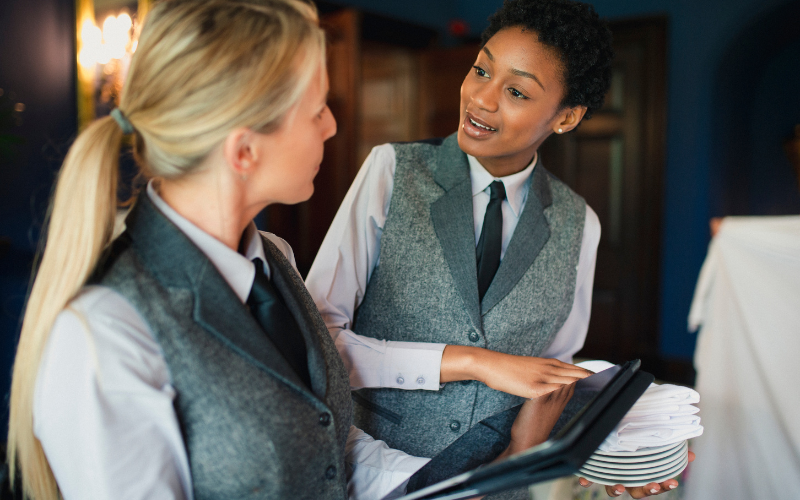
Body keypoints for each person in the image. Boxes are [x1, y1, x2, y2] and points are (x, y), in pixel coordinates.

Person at [5, 1, 585, 499]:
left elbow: (338, 453)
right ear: (244, 150)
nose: (332, 128)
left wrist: (486, 483)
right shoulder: (104, 336)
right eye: (317, 110)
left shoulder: (273, 261)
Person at [306, 0, 685, 497]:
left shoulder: (579, 223)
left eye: (516, 91)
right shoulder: (391, 172)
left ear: (566, 117)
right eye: (481, 69)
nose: (480, 99)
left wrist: (613, 456)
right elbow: (315, 342)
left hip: (502, 486)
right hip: (368, 475)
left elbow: (552, 380)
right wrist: (475, 361)